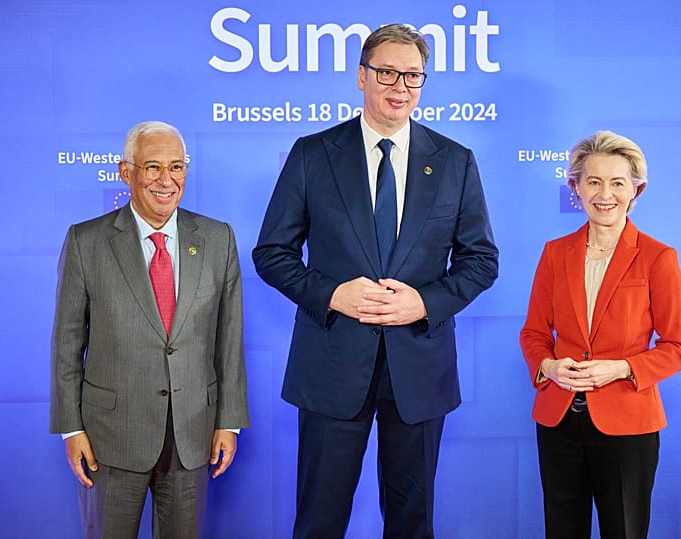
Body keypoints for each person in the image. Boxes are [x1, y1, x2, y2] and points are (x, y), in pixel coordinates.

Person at [253, 23, 498, 539]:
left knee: (413, 524)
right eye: (387, 72)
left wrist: (424, 303)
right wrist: (332, 294)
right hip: (332, 368)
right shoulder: (312, 154)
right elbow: (272, 253)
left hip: (419, 371)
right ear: (362, 76)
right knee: (319, 521)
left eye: (413, 75)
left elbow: (481, 261)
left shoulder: (455, 162)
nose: (400, 85)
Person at [50, 121, 249, 538]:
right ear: (126, 172)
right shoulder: (86, 241)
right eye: (153, 167)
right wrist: (72, 427)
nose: (167, 180)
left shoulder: (218, 238)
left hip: (192, 434)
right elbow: (67, 344)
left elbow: (228, 340)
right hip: (111, 438)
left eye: (177, 167)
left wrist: (228, 421)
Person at [519, 130, 681, 538]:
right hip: (558, 419)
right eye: (593, 181)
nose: (605, 194)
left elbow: (678, 346)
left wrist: (620, 368)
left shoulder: (658, 257)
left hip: (628, 424)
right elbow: (533, 332)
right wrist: (548, 367)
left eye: (618, 183)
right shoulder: (554, 252)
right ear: (575, 188)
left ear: (636, 190)